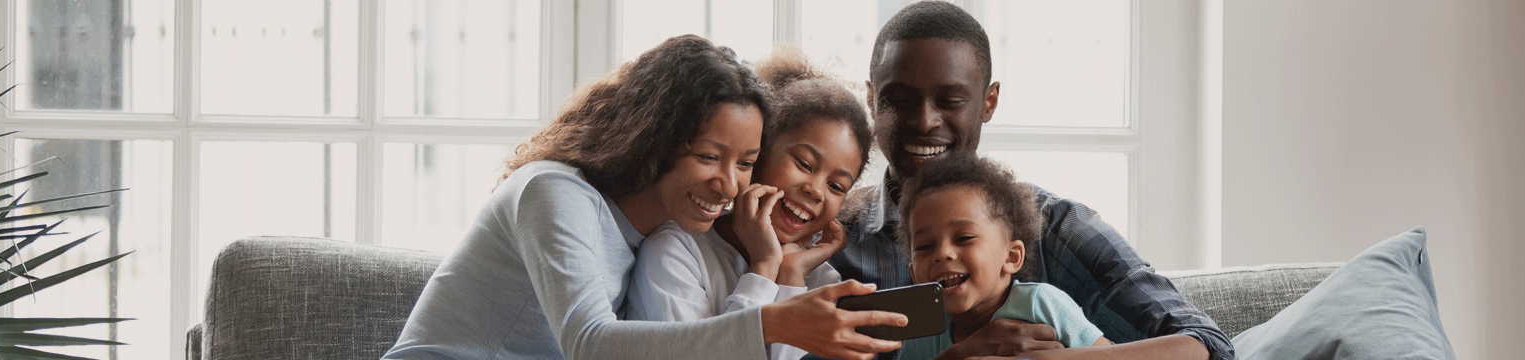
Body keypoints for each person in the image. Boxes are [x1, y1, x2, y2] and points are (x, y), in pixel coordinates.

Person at [383, 35, 905, 360]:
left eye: (744, 164)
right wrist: (775, 320)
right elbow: (590, 344)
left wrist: (781, 272)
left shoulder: (664, 235)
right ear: (653, 137)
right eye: (708, 156)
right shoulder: (552, 192)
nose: (728, 185)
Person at [831, 2, 1235, 359]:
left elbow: (1205, 344)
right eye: (898, 100)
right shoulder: (832, 236)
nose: (924, 121)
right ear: (871, 100)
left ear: (988, 102)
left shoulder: (1053, 226)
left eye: (951, 101)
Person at [625, 46, 876, 360]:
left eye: (837, 186)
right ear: (760, 152)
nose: (816, 191)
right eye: (804, 164)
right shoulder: (675, 252)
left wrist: (790, 274)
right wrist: (763, 269)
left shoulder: (820, 279)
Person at [893, 155, 1107, 360]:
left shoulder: (1041, 304)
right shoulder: (922, 336)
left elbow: (1111, 355)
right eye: (925, 246)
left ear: (1011, 257)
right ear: (914, 274)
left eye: (964, 238)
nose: (942, 253)